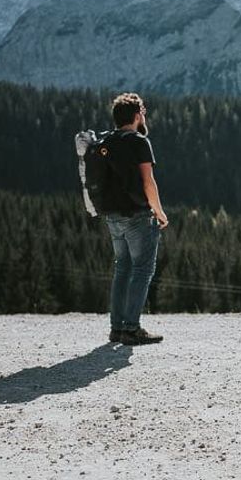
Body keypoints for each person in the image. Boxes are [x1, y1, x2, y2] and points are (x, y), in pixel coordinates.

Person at [103, 92, 169, 346]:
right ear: (137, 115)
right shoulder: (139, 142)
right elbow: (148, 182)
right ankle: (131, 328)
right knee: (142, 269)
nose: (144, 116)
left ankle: (116, 327)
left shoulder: (108, 141)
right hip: (137, 215)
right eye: (142, 112)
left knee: (122, 268)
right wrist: (159, 211)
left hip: (113, 216)